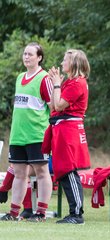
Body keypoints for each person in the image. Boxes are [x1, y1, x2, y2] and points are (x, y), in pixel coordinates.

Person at [0, 42, 53, 222]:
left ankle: (40, 212)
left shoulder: (44, 78)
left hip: (37, 134)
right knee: (19, 173)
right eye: (25, 54)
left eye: (30, 54)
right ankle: (14, 212)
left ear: (39, 58)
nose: (26, 57)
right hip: (18, 135)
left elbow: (52, 107)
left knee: (41, 172)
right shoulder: (20, 77)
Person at [45, 49, 91, 224]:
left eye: (65, 60)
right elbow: (52, 108)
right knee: (63, 171)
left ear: (74, 63)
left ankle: (77, 214)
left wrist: (57, 84)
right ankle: (74, 212)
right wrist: (54, 84)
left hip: (69, 130)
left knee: (69, 170)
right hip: (62, 128)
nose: (62, 62)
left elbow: (59, 105)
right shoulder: (70, 82)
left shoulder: (77, 83)